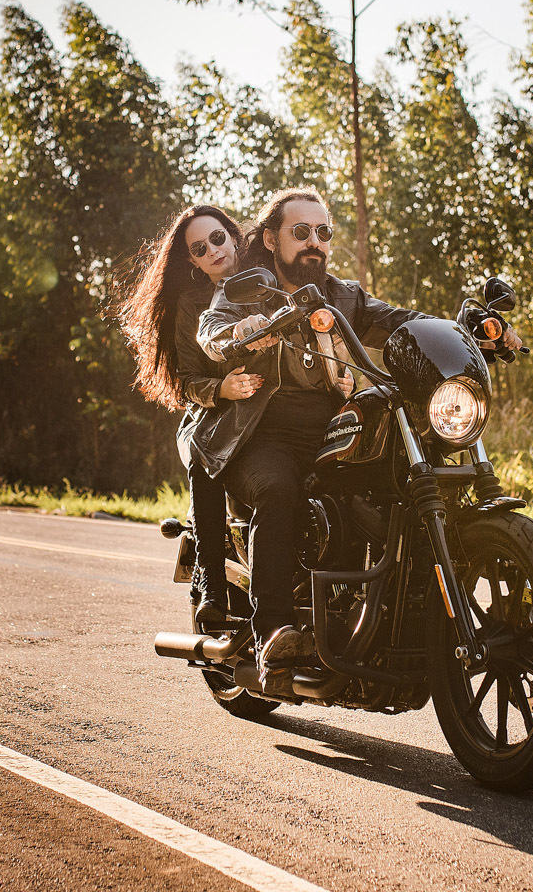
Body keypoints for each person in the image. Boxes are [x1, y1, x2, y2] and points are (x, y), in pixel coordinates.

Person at [192, 187, 430, 696]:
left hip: (329, 434)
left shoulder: (343, 296)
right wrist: (241, 337)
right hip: (257, 438)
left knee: (392, 489)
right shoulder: (243, 291)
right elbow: (212, 331)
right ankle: (273, 632)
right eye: (301, 233)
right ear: (271, 239)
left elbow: (400, 321)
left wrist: (470, 330)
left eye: (323, 232)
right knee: (278, 490)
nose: (314, 243)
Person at [116, 204, 260, 623]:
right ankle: (211, 585)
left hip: (272, 413)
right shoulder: (192, 304)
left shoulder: (267, 279)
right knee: (208, 459)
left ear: (233, 236)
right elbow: (186, 380)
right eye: (200, 248)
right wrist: (223, 388)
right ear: (193, 261)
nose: (213, 250)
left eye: (217, 238)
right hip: (213, 417)